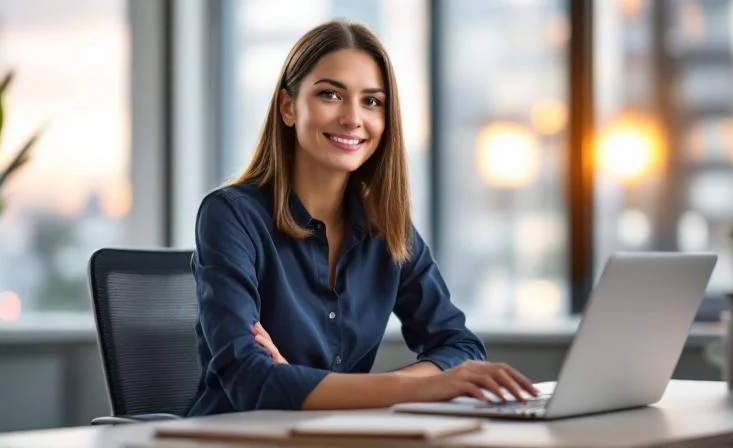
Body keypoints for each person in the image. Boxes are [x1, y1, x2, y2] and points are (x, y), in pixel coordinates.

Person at [187, 19, 538, 416]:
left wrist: (301, 383)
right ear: (288, 107)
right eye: (330, 95)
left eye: (372, 101)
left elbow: (461, 347)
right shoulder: (231, 216)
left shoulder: (387, 227)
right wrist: (423, 386)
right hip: (232, 436)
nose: (353, 118)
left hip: (336, 437)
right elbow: (251, 381)